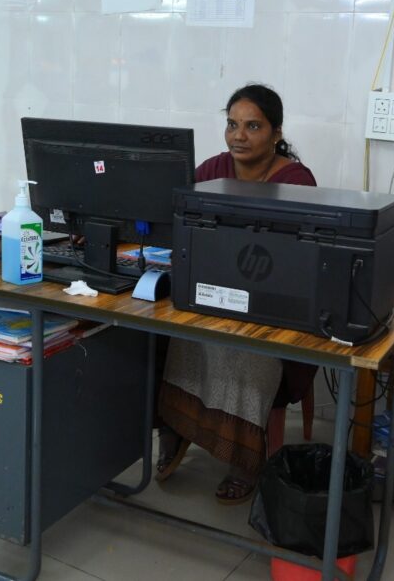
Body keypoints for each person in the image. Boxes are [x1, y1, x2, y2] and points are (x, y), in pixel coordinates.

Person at [156, 83, 318, 505]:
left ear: (276, 133)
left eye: (253, 126)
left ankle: (246, 457)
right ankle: (177, 427)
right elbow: (179, 222)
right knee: (171, 332)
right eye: (232, 124)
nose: (238, 136)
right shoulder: (213, 169)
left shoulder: (295, 181)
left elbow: (296, 262)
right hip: (213, 294)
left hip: (272, 308)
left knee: (248, 350)